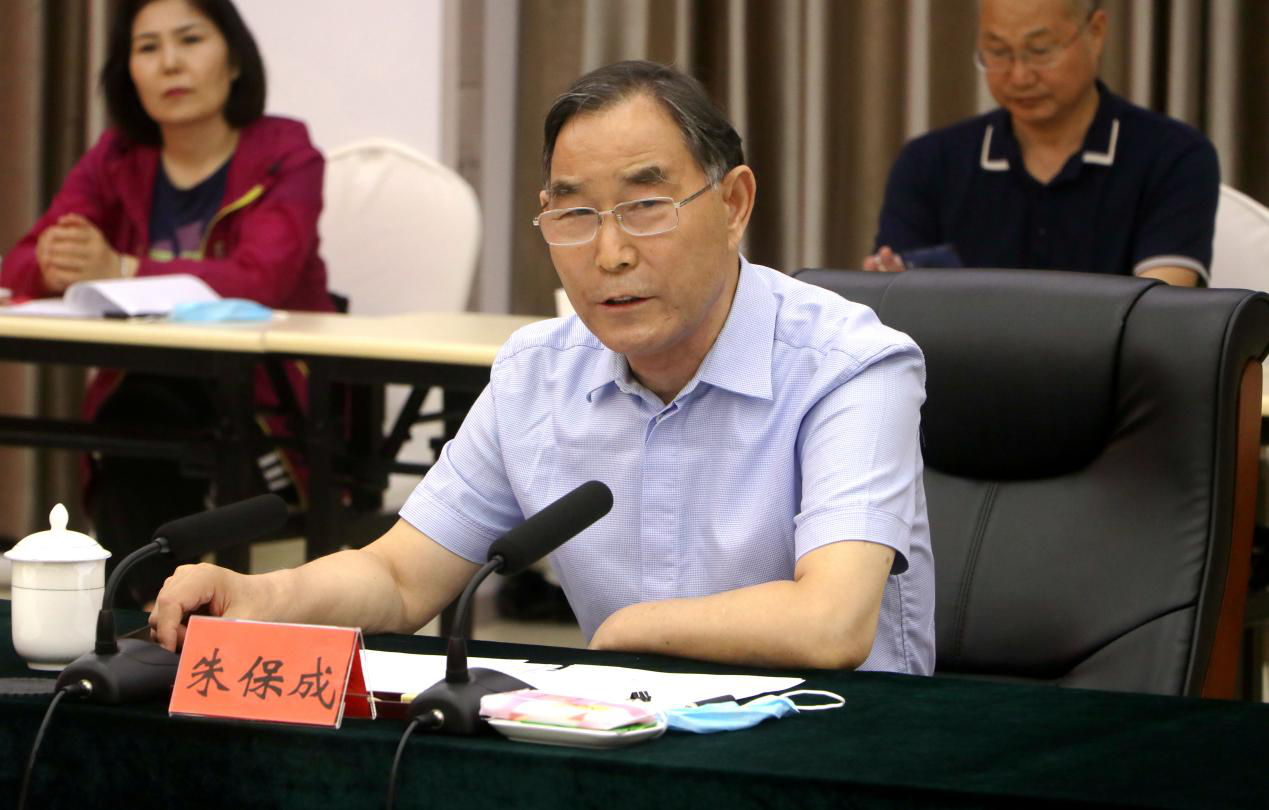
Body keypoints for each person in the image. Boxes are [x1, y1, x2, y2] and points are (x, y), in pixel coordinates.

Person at [151, 60, 935, 674]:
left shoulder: (849, 368)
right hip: (629, 741)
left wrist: (630, 630)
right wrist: (261, 596)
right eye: (574, 214)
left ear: (732, 204)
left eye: (645, 206)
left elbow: (831, 623)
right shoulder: (536, 375)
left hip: (836, 747)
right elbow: (400, 577)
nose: (609, 253)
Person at [0, 0, 332, 606]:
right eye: (147, 48)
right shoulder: (117, 158)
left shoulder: (286, 152)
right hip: (144, 397)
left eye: (189, 40)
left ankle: (141, 610)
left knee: (142, 425)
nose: (170, 63)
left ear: (234, 59)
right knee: (138, 418)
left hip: (265, 406)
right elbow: (20, 264)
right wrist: (55, 262)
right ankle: (149, 611)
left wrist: (123, 268)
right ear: (128, 71)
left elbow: (262, 277)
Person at [865, 0, 1219, 286]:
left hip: (1113, 358)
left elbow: (1160, 315)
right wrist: (889, 284)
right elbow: (895, 302)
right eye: (998, 52)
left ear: (1096, 32)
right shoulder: (928, 163)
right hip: (955, 358)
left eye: (1040, 51)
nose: (1020, 75)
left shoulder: (1174, 157)